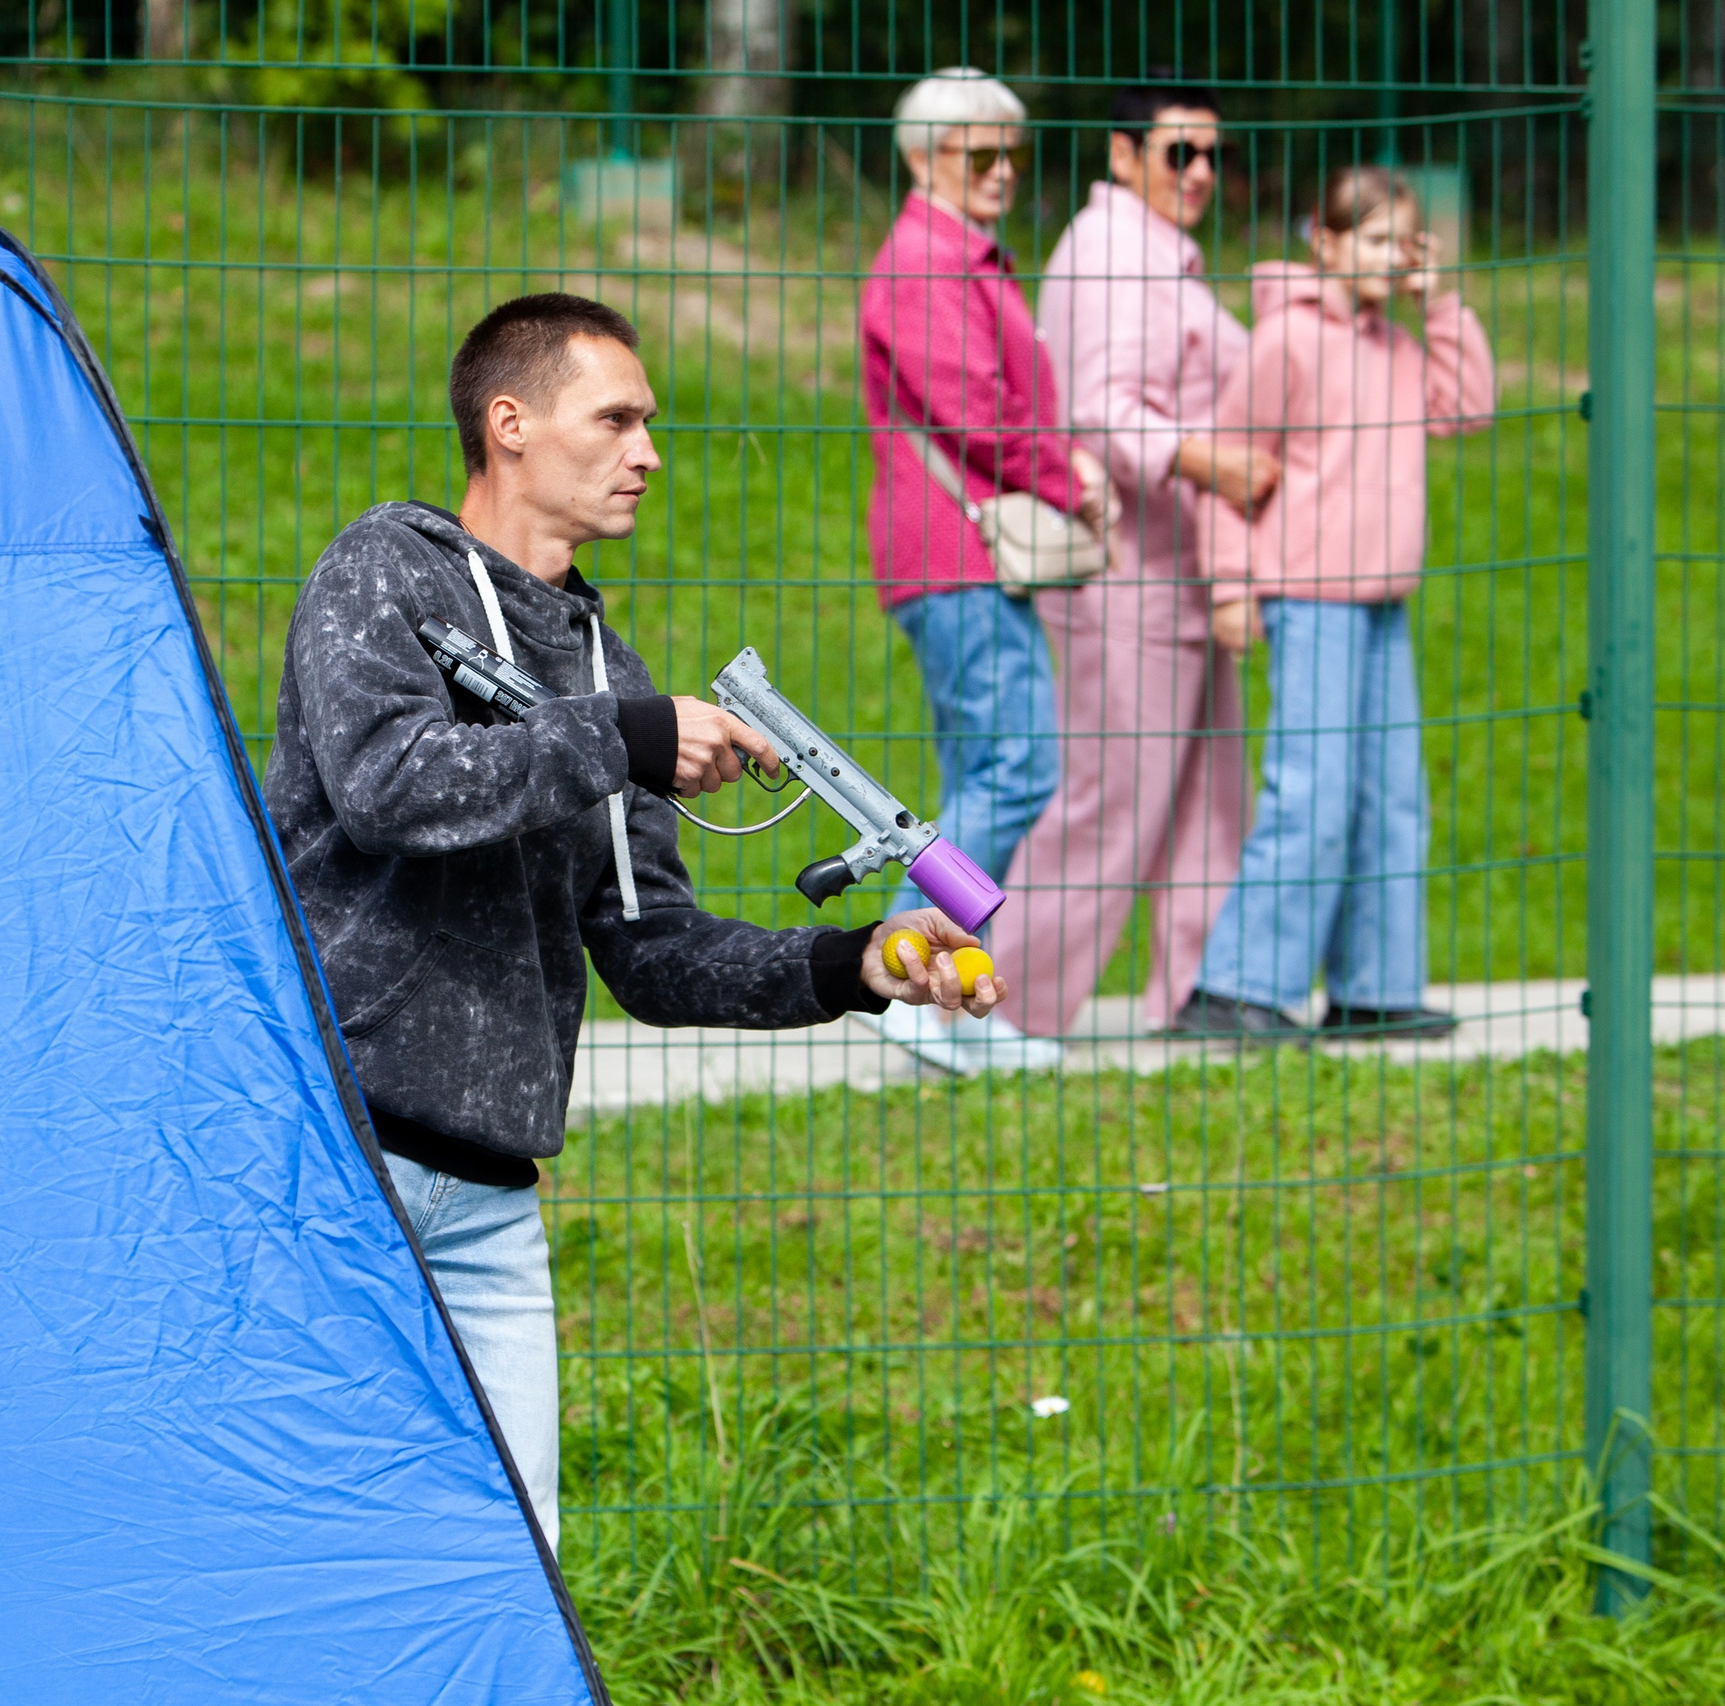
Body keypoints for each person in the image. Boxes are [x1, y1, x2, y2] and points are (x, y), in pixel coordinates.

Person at [263, 293, 1004, 1550]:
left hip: (493, 1199)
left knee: (513, 1567)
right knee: (312, 1548)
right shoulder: (383, 568)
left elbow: (652, 951)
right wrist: (626, 738)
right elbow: (392, 784)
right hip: (336, 1165)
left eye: (648, 424)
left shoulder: (609, 668)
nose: (648, 450)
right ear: (509, 424)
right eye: (616, 418)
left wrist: (857, 965)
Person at [987, 74, 1278, 1046]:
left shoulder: (1166, 258)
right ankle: (999, 1008)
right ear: (1122, 155)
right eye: (1176, 153)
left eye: (1211, 155)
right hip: (1125, 574)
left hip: (1192, 571)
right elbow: (1102, 409)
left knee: (1207, 797)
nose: (1197, 172)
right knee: (1112, 801)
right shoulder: (1110, 250)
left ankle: (1198, 996)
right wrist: (1216, 463)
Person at [1175, 165, 1496, 1042]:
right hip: (1309, 599)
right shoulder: (1285, 342)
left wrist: (1439, 303)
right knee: (1310, 794)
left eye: (1404, 243)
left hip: (1383, 600)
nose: (1393, 259)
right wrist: (1234, 588)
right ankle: (1235, 990)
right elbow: (1232, 469)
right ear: (1325, 240)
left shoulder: (1398, 343)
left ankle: (1375, 990)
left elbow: (1468, 410)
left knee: (1393, 795)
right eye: (1376, 241)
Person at [857, 68, 1117, 1075]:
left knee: (980, 771)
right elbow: (974, 410)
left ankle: (938, 989)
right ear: (923, 159)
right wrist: (1070, 481)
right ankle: (906, 980)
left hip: (963, 550)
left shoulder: (959, 256)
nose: (1002, 171)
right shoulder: (926, 261)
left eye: (1011, 152)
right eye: (978, 154)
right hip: (953, 547)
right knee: (1016, 766)